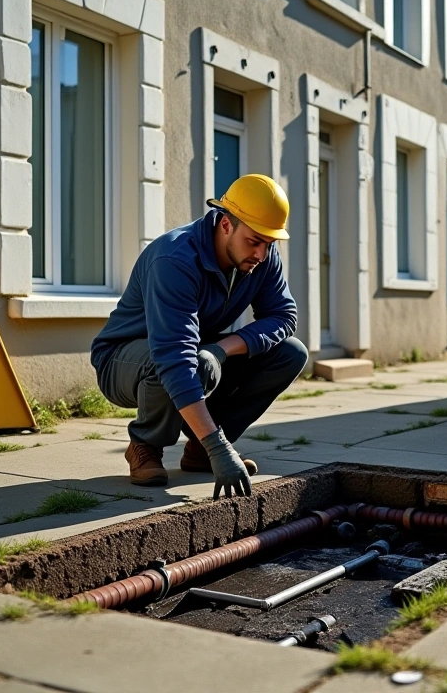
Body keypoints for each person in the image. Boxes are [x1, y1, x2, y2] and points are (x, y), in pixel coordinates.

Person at [90, 174, 307, 499]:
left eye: (270, 243)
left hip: (192, 349)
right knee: (166, 362)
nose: (262, 254)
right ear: (225, 225)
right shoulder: (175, 259)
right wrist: (220, 448)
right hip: (124, 360)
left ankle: (199, 449)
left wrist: (221, 350)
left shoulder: (261, 257)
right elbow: (173, 356)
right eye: (254, 241)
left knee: (290, 353)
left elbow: (283, 316)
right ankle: (145, 445)